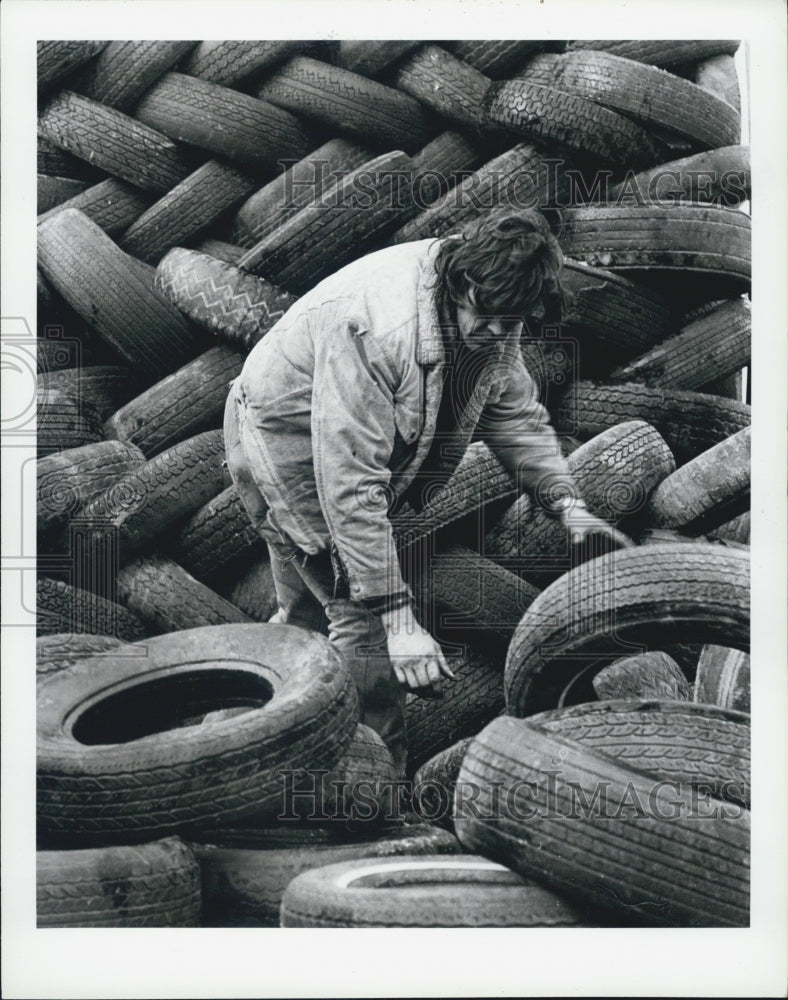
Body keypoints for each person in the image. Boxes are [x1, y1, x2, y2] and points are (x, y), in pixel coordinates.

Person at [223, 207, 630, 774]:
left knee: (306, 626)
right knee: (362, 629)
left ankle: (236, 745)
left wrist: (568, 504)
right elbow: (351, 487)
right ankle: (375, 792)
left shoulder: (492, 312)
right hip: (286, 449)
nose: (499, 336)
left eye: (512, 324)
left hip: (337, 453)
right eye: (488, 319)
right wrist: (400, 621)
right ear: (463, 283)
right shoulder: (375, 328)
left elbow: (514, 417)